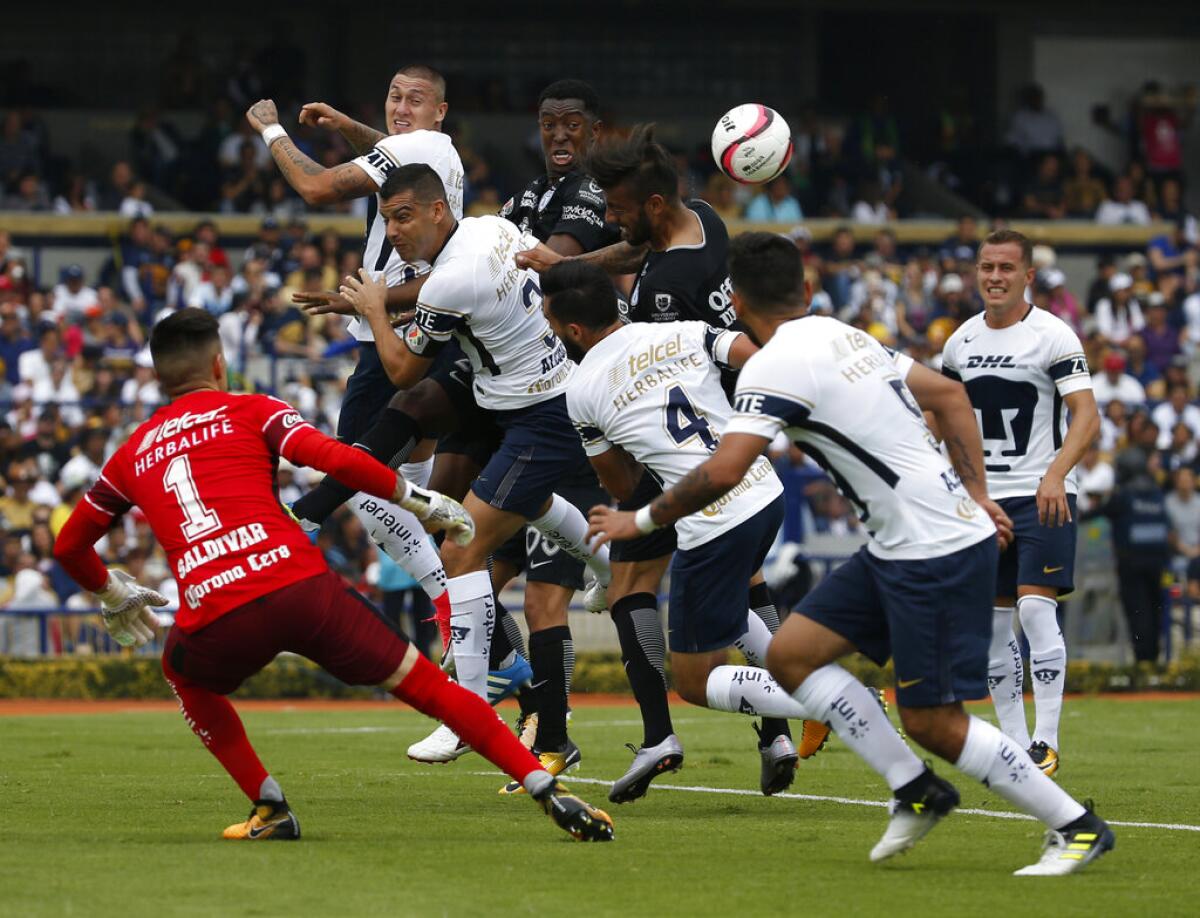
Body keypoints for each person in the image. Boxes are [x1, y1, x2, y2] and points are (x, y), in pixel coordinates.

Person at [588, 232, 1114, 874]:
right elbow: (950, 397)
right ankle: (917, 792)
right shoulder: (844, 333)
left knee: (934, 723)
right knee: (791, 654)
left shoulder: (773, 366)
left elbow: (724, 472)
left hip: (934, 550)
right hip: (908, 540)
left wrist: (637, 518)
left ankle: (1077, 826)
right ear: (806, 291)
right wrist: (975, 493)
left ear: (732, 300)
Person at [51, 308, 612, 843]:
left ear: (157, 377)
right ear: (219, 365)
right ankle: (544, 785)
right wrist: (416, 499)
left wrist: (110, 589)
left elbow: (70, 545)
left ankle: (268, 806)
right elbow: (334, 458)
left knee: (184, 674)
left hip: (216, 608)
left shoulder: (130, 454)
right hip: (301, 588)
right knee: (428, 688)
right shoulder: (253, 409)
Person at [517, 125, 803, 801]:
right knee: (745, 586)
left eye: (616, 206)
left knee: (631, 589)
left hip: (686, 463)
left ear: (648, 203)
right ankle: (776, 731)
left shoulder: (663, 294)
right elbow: (632, 252)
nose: (610, 219)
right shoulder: (698, 221)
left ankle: (700, 724)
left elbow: (620, 464)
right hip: (730, 432)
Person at [335, 166, 606, 760]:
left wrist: (376, 307)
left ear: (437, 210)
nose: (394, 231)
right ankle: (606, 562)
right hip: (530, 401)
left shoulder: (447, 282)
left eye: (403, 216)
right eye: (385, 220)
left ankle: (468, 713)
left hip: (538, 415)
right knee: (513, 511)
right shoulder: (494, 228)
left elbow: (404, 370)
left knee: (461, 545)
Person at [546, 259, 826, 800]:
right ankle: (775, 735)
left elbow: (624, 487)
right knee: (735, 599)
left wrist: (637, 440)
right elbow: (753, 356)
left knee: (693, 678)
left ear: (573, 331)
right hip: (764, 490)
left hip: (711, 516)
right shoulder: (681, 331)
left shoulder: (579, 389)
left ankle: (820, 697)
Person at [246, 64, 466, 658]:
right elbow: (391, 150)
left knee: (361, 476)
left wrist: (271, 131)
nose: (401, 106)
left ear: (439, 112)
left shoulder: (419, 148)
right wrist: (347, 125)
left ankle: (308, 521)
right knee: (397, 481)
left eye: (416, 99)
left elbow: (316, 188)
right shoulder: (432, 153)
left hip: (391, 326)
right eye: (393, 95)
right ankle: (470, 620)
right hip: (415, 323)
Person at [941, 230, 1100, 778]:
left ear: (1028, 276)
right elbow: (945, 420)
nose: (994, 277)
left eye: (1007, 268)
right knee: (991, 625)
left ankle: (1046, 741)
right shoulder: (958, 342)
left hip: (1041, 492)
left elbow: (1086, 414)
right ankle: (1014, 749)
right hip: (983, 501)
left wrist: (1057, 474)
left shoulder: (1053, 335)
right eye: (987, 267)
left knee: (1036, 607)